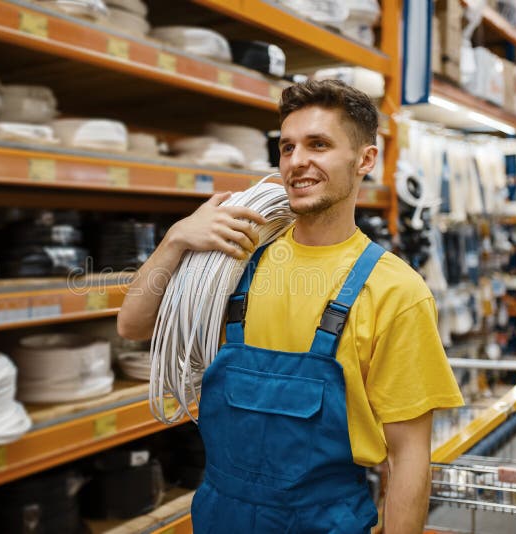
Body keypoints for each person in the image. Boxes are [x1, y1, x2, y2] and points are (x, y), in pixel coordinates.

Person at [117, 80, 464, 533]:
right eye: (287, 147)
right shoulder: (233, 261)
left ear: (365, 160)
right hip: (222, 516)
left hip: (325, 521)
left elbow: (409, 457)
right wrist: (177, 238)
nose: (297, 160)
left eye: (318, 144)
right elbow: (133, 324)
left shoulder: (395, 291)